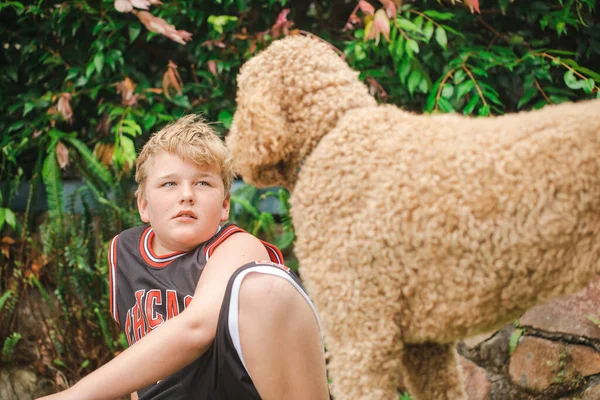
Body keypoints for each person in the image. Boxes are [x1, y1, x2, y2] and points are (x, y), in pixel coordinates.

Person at [38, 115, 329, 400]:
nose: (187, 195)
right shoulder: (124, 251)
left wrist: (72, 395)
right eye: (169, 184)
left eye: (203, 183)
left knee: (265, 287)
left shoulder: (239, 247)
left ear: (225, 205)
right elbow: (141, 351)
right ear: (143, 205)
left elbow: (196, 329)